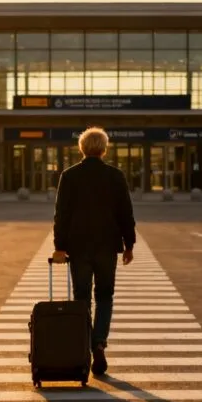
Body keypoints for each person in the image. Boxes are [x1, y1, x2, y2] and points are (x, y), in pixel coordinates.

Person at [52, 127, 136, 376]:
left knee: (82, 298)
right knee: (105, 296)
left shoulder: (69, 176)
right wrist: (129, 245)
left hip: (78, 247)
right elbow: (125, 213)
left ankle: (85, 345)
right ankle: (99, 342)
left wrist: (60, 246)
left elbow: (61, 215)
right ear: (104, 148)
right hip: (107, 246)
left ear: (82, 149)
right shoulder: (115, 176)